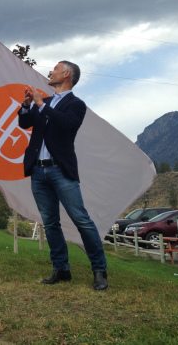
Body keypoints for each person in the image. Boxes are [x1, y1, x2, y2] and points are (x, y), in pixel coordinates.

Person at [18, 60, 108, 291]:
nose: (50, 72)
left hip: (61, 170)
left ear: (66, 74)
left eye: (55, 69)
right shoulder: (44, 102)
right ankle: (61, 269)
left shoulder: (76, 105)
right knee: (50, 223)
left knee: (81, 219)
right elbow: (24, 122)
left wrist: (41, 104)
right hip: (38, 170)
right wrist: (28, 105)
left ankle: (99, 270)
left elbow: (66, 125)